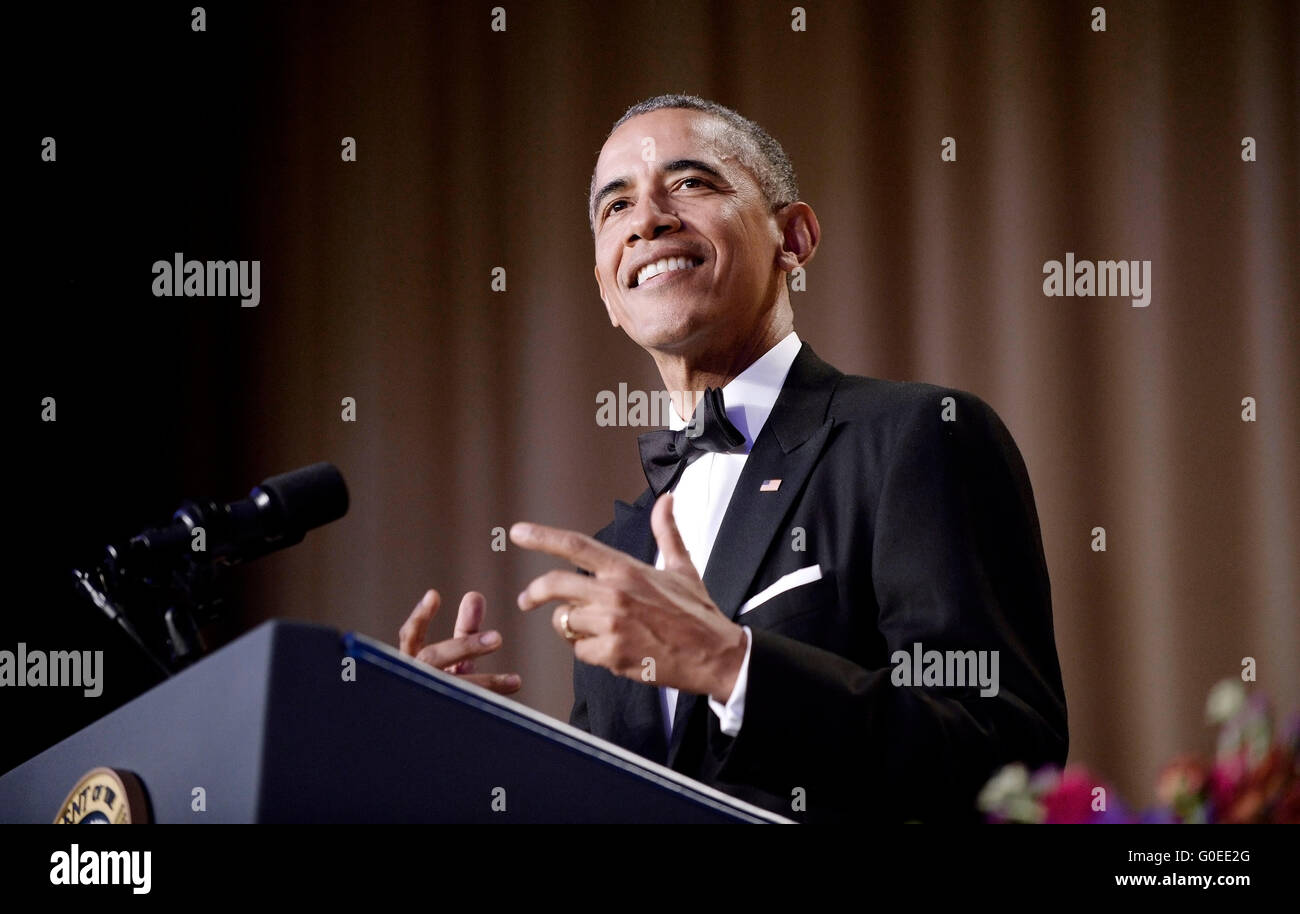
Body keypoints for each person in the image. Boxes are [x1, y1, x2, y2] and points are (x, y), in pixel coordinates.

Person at [399, 94, 1068, 822]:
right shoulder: (619, 553)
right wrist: (457, 757)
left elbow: (1006, 757)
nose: (647, 219)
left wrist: (733, 666)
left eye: (690, 182)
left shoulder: (919, 436)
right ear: (607, 293)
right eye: (615, 206)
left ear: (795, 237)